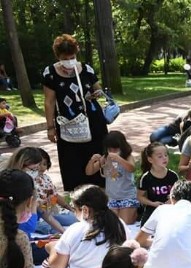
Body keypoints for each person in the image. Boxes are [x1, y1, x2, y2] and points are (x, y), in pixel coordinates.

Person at [43, 34, 109, 191]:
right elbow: (49, 101)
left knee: (96, 156)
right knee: (71, 161)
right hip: (67, 124)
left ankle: (100, 191)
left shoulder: (86, 69)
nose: (69, 61)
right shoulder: (50, 73)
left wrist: (97, 93)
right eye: (65, 58)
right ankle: (77, 195)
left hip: (93, 122)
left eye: (72, 57)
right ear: (58, 56)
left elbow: (97, 88)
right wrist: (50, 127)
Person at [44, 185, 128, 268]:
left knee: (47, 264)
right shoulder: (119, 225)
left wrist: (52, 248)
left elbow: (56, 267)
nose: (74, 213)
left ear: (85, 210)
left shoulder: (75, 229)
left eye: (74, 209)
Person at [85, 131, 138, 224]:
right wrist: (92, 160)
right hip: (112, 198)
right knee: (113, 223)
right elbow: (89, 172)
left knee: (125, 223)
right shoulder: (105, 158)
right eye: (110, 149)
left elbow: (132, 168)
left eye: (116, 149)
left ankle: (134, 213)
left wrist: (119, 159)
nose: (113, 152)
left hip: (127, 196)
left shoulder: (127, 157)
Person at [34, 148, 77, 233]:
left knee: (74, 218)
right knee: (48, 228)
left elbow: (55, 196)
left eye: (44, 164)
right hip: (38, 215)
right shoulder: (28, 180)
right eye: (39, 164)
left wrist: (69, 208)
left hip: (51, 210)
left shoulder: (46, 178)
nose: (41, 167)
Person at [137, 142, 179, 225]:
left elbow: (178, 194)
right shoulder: (146, 178)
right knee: (146, 228)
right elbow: (139, 196)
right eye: (160, 156)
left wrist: (172, 200)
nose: (164, 158)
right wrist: (153, 204)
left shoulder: (173, 175)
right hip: (153, 209)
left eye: (166, 155)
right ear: (150, 159)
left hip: (170, 208)